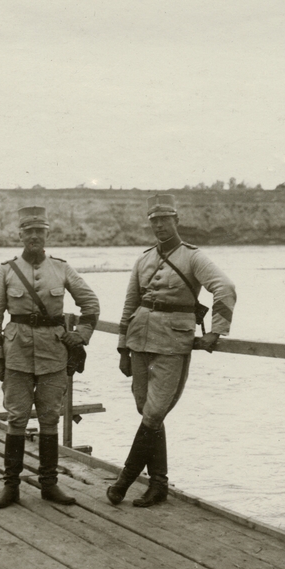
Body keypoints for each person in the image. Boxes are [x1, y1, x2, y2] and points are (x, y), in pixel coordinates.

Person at [108, 194, 236, 508]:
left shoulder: (193, 257)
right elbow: (130, 304)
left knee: (153, 414)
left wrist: (216, 332)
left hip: (172, 343)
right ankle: (159, 485)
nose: (160, 226)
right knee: (146, 410)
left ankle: (124, 481)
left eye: (165, 220)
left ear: (177, 220)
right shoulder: (144, 259)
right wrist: (123, 348)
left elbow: (225, 288)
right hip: (139, 340)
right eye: (154, 221)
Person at [0, 205, 100, 509]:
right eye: (29, 231)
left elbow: (90, 304)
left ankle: (49, 484)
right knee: (16, 417)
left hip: (53, 355)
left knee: (50, 417)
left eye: (40, 231)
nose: (34, 236)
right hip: (16, 356)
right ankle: (10, 487)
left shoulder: (61, 268)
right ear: (20, 234)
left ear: (47, 234)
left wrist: (82, 335)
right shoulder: (6, 271)